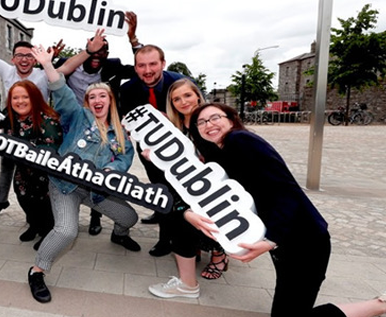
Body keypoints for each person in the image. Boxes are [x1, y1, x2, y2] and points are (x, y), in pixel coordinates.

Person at [187, 103, 386, 317]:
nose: (208, 124)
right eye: (201, 122)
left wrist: (271, 240)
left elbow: (285, 191)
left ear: (231, 119)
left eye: (215, 117)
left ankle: (379, 305)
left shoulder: (240, 140)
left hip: (304, 239)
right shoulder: (225, 151)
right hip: (287, 242)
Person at [26, 45, 140, 304]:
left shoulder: (119, 131)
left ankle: (119, 236)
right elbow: (62, 92)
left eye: (103, 96)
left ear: (110, 100)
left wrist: (112, 170)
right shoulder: (77, 116)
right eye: (92, 97)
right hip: (65, 186)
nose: (98, 100)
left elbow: (125, 158)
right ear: (87, 102)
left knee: (130, 217)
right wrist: (47, 64)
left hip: (96, 192)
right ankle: (37, 271)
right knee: (67, 231)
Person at [0, 10, 105, 221]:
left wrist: (89, 50)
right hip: (15, 124)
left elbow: (69, 66)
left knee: (40, 171)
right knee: (8, 165)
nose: (24, 59)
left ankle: (47, 214)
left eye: (28, 55)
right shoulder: (6, 71)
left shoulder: (43, 74)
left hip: (40, 130)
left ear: (35, 58)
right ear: (13, 59)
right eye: (20, 56)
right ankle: (0, 201)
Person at [51, 11, 141, 236]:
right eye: (94, 49)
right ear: (87, 48)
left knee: (99, 165)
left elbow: (140, 71)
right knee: (66, 169)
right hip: (73, 125)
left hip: (103, 127)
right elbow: (52, 78)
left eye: (103, 51)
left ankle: (96, 215)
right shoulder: (67, 64)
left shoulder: (112, 66)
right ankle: (62, 216)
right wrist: (50, 58)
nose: (98, 55)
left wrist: (133, 40)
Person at [144, 78, 221, 300]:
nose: (183, 101)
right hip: (186, 190)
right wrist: (153, 155)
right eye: (176, 99)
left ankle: (188, 284)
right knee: (178, 223)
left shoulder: (208, 122)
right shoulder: (176, 127)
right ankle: (187, 281)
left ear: (198, 95)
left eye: (187, 95)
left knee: (183, 225)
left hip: (208, 190)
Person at [120, 45, 190, 257]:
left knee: (182, 193)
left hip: (183, 149)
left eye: (153, 64)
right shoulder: (128, 89)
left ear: (163, 64)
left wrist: (169, 117)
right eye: (142, 65)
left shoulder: (179, 83)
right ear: (135, 67)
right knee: (161, 189)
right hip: (149, 150)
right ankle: (165, 234)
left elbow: (195, 112)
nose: (147, 70)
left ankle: (185, 241)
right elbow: (126, 119)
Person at [4, 80, 62, 248]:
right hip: (23, 172)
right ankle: (35, 225)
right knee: (25, 199)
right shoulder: (10, 117)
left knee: (44, 205)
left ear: (34, 98)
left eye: (25, 97)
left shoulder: (47, 119)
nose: (20, 101)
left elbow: (53, 148)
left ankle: (48, 232)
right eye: (15, 97)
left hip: (46, 175)